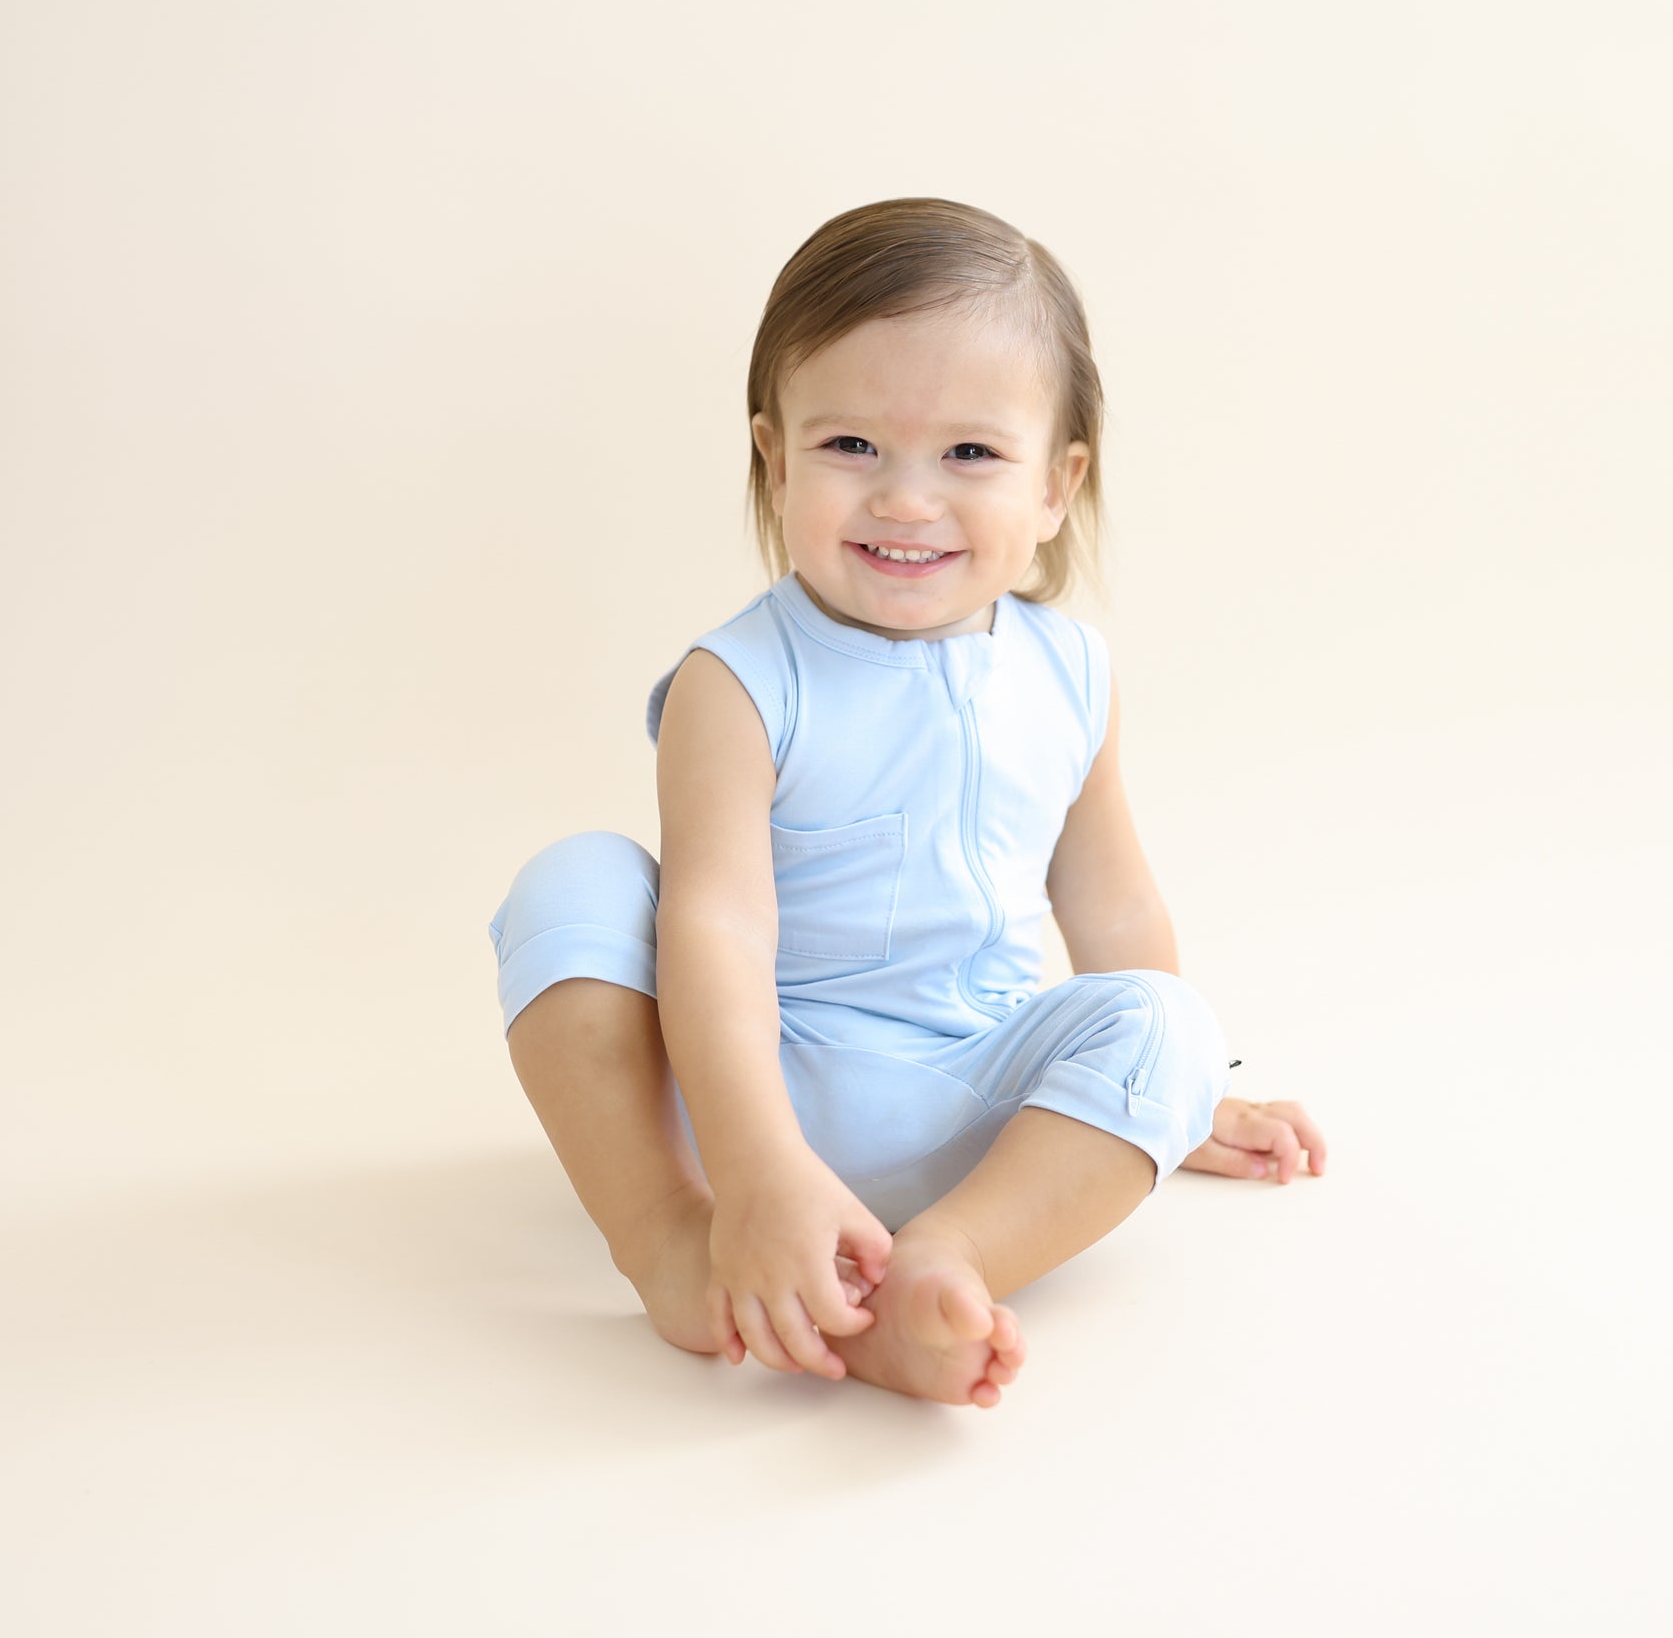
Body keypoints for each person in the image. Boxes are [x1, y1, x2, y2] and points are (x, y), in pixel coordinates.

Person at [487, 197, 1327, 1410]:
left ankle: (944, 1264)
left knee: (1167, 1022)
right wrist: (757, 1168)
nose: (906, 500)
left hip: (967, 1104)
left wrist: (1179, 1099)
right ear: (776, 459)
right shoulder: (742, 682)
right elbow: (715, 932)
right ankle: (676, 1241)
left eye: (971, 456)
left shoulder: (1072, 673)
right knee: (572, 882)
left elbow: (1112, 898)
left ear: (1056, 485)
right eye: (852, 449)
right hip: (747, 1092)